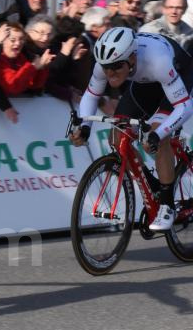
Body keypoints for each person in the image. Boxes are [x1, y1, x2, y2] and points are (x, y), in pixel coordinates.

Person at [69, 27, 193, 231]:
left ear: (132, 58)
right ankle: (153, 184)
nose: (110, 72)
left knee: (156, 137)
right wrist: (84, 126)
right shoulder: (107, 64)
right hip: (145, 81)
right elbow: (91, 95)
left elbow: (184, 106)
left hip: (179, 74)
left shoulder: (158, 61)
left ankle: (167, 204)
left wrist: (158, 133)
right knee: (117, 137)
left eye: (116, 66)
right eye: (106, 66)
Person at [0, 21, 53, 97]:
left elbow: (34, 85)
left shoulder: (21, 58)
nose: (18, 43)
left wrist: (43, 67)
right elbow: (12, 86)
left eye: (21, 39)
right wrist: (33, 67)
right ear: (2, 41)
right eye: (13, 40)